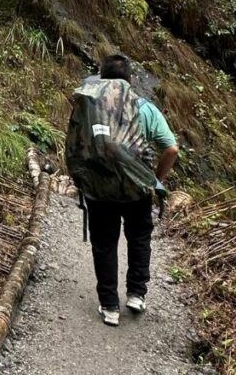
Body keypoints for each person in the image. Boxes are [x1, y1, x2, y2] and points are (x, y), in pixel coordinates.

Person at [87, 54, 179, 326]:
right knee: (139, 237)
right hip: (137, 188)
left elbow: (80, 146)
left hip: (100, 188)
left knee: (104, 244)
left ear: (102, 80)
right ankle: (137, 294)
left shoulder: (91, 106)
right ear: (131, 80)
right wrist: (154, 179)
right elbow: (171, 148)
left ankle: (110, 306)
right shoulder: (147, 109)